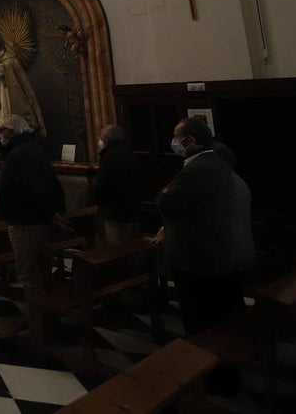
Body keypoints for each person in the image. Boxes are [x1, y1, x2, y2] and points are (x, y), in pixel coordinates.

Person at [154, 118, 253, 394]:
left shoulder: (199, 169)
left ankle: (209, 377)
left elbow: (165, 200)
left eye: (177, 137)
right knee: (222, 317)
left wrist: (164, 193)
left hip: (199, 259)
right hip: (220, 256)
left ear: (191, 140)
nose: (174, 143)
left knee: (202, 321)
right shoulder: (220, 169)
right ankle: (223, 372)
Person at [0, 114, 67, 306]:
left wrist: (50, 212)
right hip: (39, 219)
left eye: (1, 130)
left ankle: (39, 326)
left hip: (25, 221)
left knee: (30, 275)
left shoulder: (18, 154)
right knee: (42, 270)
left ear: (11, 132)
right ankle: (47, 316)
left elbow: (30, 189)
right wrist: (55, 211)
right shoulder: (34, 149)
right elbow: (51, 183)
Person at [0, 30, 45, 134]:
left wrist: (0, 68)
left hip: (6, 90)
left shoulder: (10, 58)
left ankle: (8, 130)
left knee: (6, 110)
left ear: (1, 43)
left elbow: (14, 74)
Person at [92, 124, 142, 244]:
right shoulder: (132, 155)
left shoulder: (109, 158)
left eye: (101, 138)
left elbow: (103, 186)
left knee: (116, 249)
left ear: (106, 140)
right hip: (133, 210)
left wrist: (96, 199)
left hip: (115, 213)